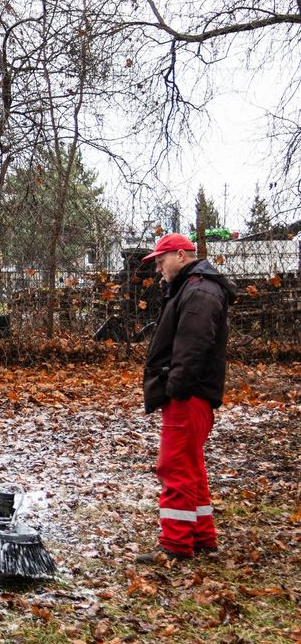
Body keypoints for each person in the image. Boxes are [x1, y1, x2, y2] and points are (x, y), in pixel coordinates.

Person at [138, 233, 236, 564]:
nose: (159, 269)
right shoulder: (196, 287)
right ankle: (203, 538)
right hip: (192, 393)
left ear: (181, 255)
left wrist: (175, 389)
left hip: (188, 394)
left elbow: (193, 346)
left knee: (175, 466)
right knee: (191, 466)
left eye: (161, 260)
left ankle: (175, 545)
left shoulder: (199, 290)